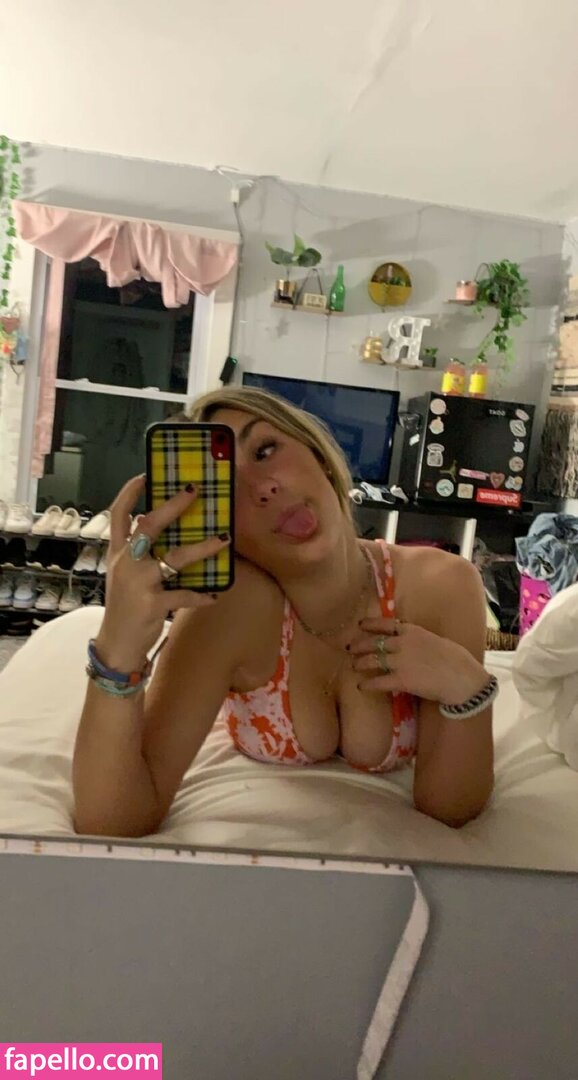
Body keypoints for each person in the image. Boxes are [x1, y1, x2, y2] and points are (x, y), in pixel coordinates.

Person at [73, 386, 497, 838]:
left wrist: (465, 688)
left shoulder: (443, 586)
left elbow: (449, 809)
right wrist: (117, 647)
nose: (263, 488)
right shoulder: (228, 610)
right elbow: (114, 821)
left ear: (316, 451)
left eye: (265, 450)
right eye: (227, 486)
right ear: (218, 524)